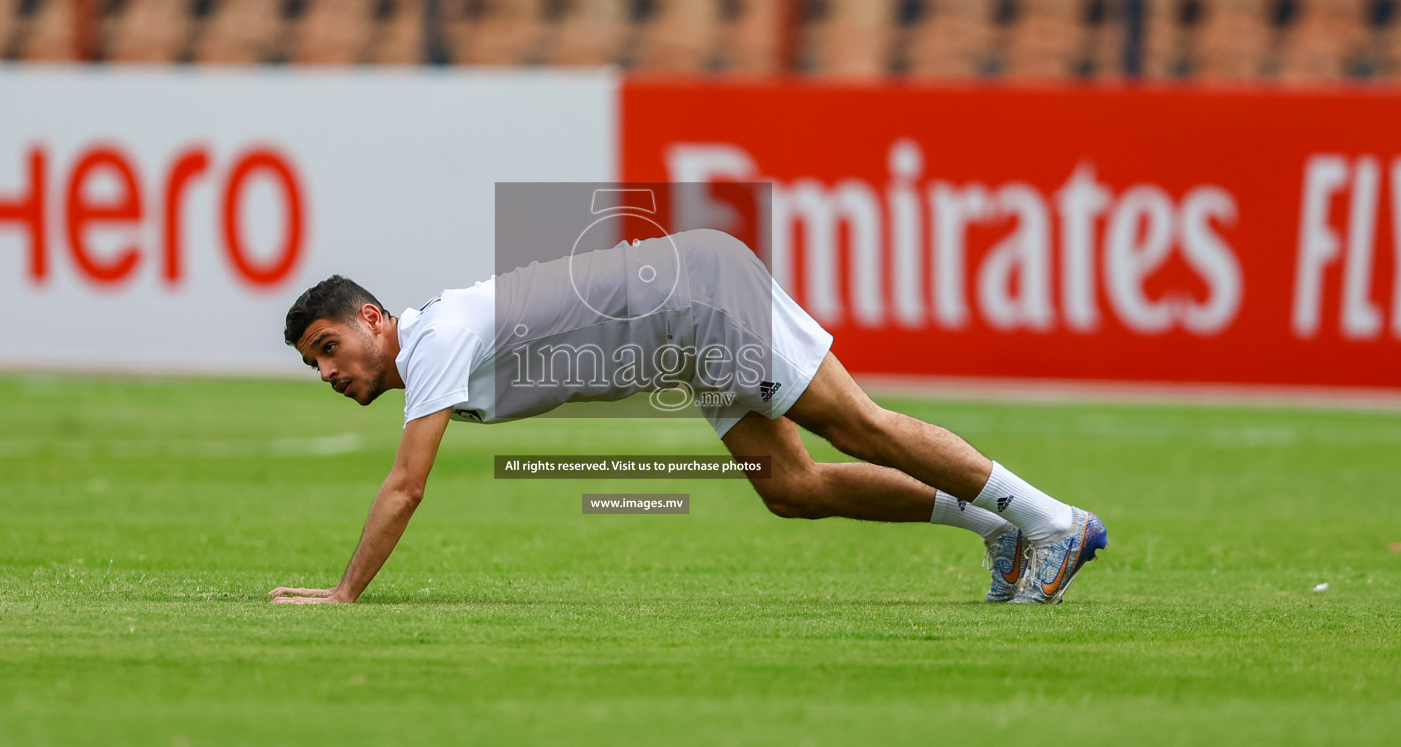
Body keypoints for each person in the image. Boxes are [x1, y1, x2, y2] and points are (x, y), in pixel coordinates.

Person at [269, 229, 1106, 606]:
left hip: (694, 299)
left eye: (330, 346)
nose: (330, 371)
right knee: (792, 487)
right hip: (678, 335)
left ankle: (1052, 521)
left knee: (858, 425)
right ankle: (999, 530)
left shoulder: (435, 340)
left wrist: (344, 594)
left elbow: (406, 488)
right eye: (316, 363)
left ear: (375, 320)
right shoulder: (433, 340)